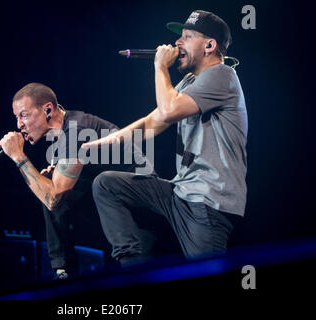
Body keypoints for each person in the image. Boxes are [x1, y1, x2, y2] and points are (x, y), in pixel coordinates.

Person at [83, 10, 248, 265]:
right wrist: (90, 148)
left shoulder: (222, 75)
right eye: (179, 37)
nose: (177, 44)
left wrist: (160, 66)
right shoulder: (190, 82)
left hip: (209, 201)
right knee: (107, 185)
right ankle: (131, 266)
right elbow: (152, 122)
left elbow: (169, 110)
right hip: (181, 191)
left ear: (209, 45)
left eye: (187, 37)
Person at [0, 82, 150, 279]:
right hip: (111, 200)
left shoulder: (76, 129)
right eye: (16, 118)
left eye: (24, 115)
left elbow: (53, 198)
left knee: (53, 193)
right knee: (47, 183)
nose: (19, 125)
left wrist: (19, 157)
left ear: (48, 110)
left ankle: (65, 272)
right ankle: (62, 271)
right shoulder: (63, 133)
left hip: (141, 207)